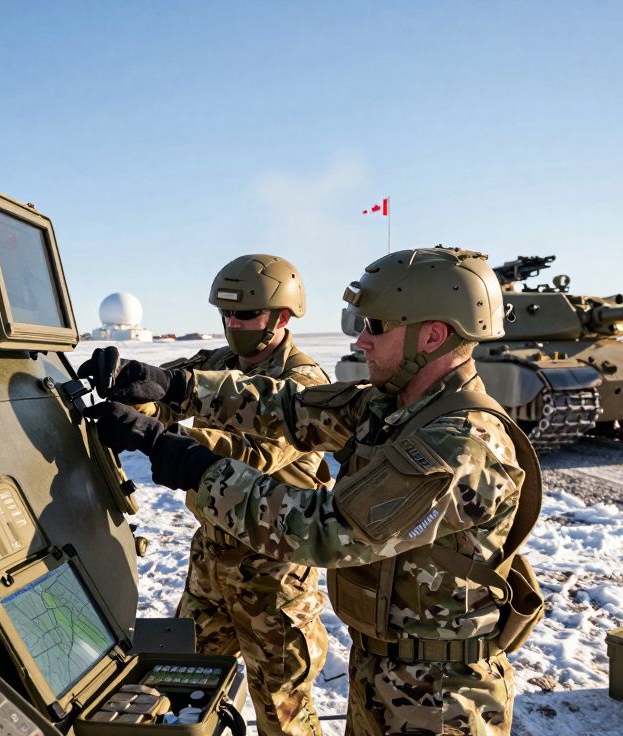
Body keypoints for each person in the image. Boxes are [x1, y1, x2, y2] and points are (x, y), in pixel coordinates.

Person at [80, 247, 543, 736]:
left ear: (432, 335)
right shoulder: (396, 406)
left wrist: (184, 457)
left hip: (439, 699)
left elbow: (323, 529)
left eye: (376, 327)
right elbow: (291, 407)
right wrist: (171, 385)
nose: (362, 342)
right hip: (387, 673)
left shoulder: (461, 443)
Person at [137, 254, 331, 736]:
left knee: (282, 713)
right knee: (182, 692)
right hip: (211, 562)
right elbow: (165, 391)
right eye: (225, 314)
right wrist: (129, 387)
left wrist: (159, 441)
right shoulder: (217, 364)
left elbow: (255, 454)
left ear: (283, 316)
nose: (232, 324)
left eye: (245, 315)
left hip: (274, 572)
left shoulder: (305, 384)